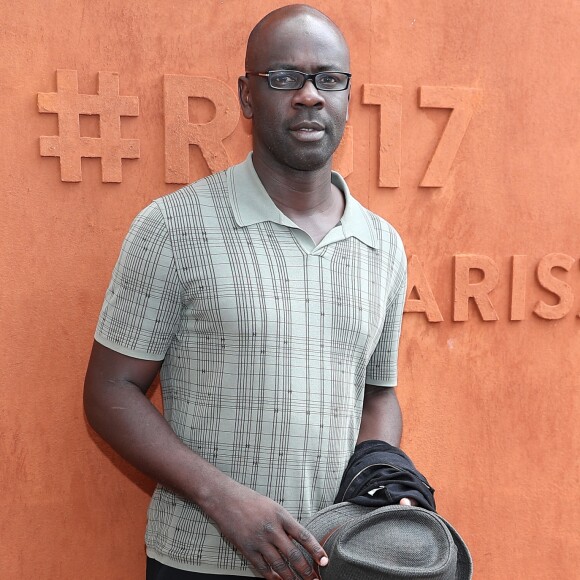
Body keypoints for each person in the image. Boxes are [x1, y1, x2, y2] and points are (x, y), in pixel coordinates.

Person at [84, 4, 409, 580]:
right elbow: (110, 390)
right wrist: (222, 500)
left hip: (336, 563)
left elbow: (377, 394)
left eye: (328, 79)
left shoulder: (381, 245)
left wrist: (374, 486)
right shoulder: (173, 227)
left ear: (347, 97)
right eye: (284, 78)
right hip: (200, 560)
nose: (309, 95)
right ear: (246, 96)